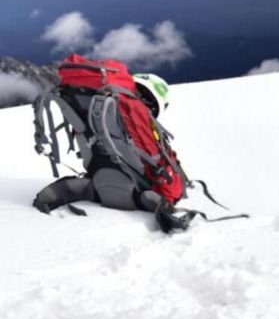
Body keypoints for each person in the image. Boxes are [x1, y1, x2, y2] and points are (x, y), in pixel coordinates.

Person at [33, 70, 195, 233]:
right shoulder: (133, 113)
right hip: (137, 193)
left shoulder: (88, 101)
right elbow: (170, 191)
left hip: (98, 180)